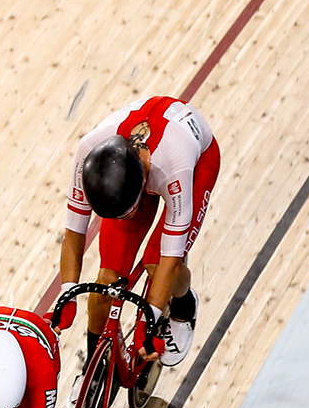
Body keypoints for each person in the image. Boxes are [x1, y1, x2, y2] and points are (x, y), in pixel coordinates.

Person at [60, 95, 220, 370]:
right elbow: (74, 233)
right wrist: (68, 294)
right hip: (139, 170)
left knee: (157, 264)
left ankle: (183, 306)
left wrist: (151, 320)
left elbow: (170, 261)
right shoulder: (87, 149)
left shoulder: (174, 167)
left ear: (143, 184)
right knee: (106, 281)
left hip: (195, 164)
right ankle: (94, 368)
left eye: (127, 212)